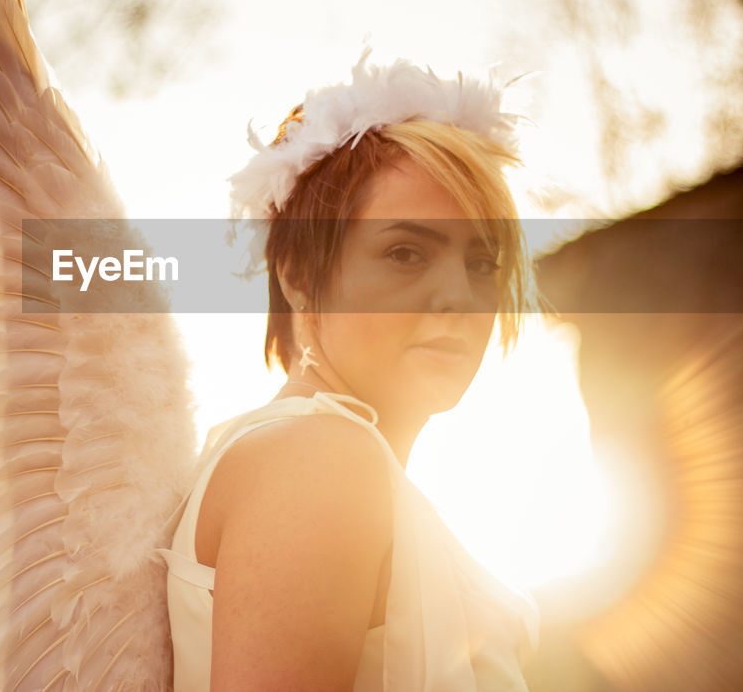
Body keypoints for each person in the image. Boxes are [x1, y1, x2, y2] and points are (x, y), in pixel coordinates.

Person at [160, 51, 542, 691]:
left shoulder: (315, 457)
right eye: (405, 252)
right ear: (300, 275)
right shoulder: (318, 459)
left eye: (483, 262)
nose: (460, 294)